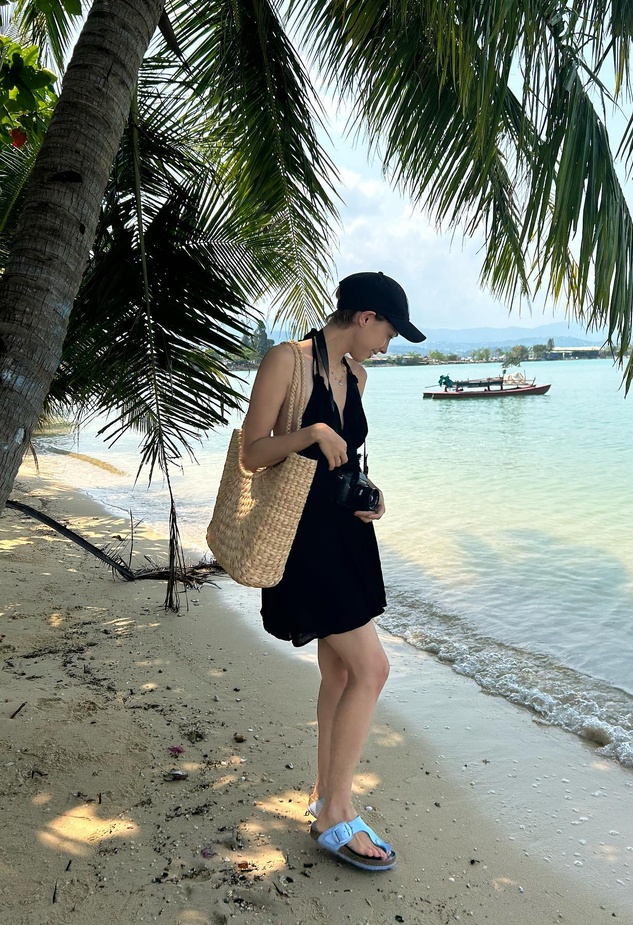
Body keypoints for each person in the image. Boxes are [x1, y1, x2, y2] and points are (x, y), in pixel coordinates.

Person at [239, 272, 425, 871]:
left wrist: (371, 495)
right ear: (366, 317)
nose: (387, 346)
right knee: (374, 669)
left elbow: (346, 461)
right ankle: (337, 812)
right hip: (300, 541)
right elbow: (252, 454)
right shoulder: (286, 361)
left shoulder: (358, 376)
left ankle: (325, 797)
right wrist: (312, 432)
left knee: (342, 674)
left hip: (347, 537)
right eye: (389, 333)